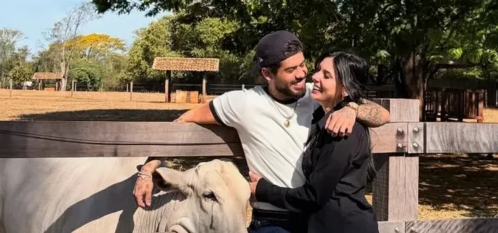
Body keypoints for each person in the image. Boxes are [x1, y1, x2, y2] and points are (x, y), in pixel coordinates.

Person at [132, 31, 390, 233]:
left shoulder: (317, 93)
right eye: (291, 70)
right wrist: (148, 170)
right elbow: (182, 122)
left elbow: (383, 115)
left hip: (316, 218)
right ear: (267, 73)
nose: (303, 75)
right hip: (274, 219)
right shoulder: (242, 103)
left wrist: (352, 108)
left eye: (303, 65)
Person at [248, 51, 379, 233]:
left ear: (345, 89)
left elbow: (312, 196)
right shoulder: (323, 117)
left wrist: (263, 189)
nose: (315, 77)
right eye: (318, 70)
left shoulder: (341, 131)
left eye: (326, 75)